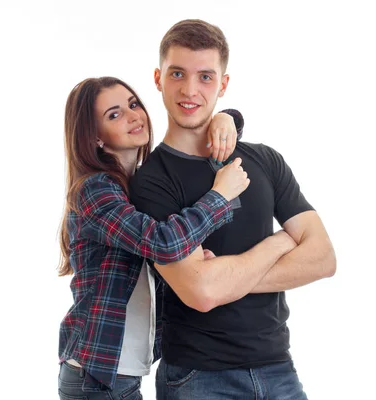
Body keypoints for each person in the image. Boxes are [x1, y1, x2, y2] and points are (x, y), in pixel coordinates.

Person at [129, 20, 337, 400]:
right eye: (178, 73)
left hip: (279, 370)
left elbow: (323, 258)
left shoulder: (264, 160)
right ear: (158, 78)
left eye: (205, 77)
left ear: (223, 85)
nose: (190, 90)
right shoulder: (149, 182)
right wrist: (278, 244)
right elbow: (201, 292)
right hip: (198, 378)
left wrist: (224, 278)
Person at [57, 76, 297, 400]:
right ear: (95, 137)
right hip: (97, 376)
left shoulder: (135, 185)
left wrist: (227, 118)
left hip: (121, 372)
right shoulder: (96, 191)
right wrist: (222, 196)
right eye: (114, 114)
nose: (133, 116)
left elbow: (161, 256)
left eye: (132, 104)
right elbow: (164, 243)